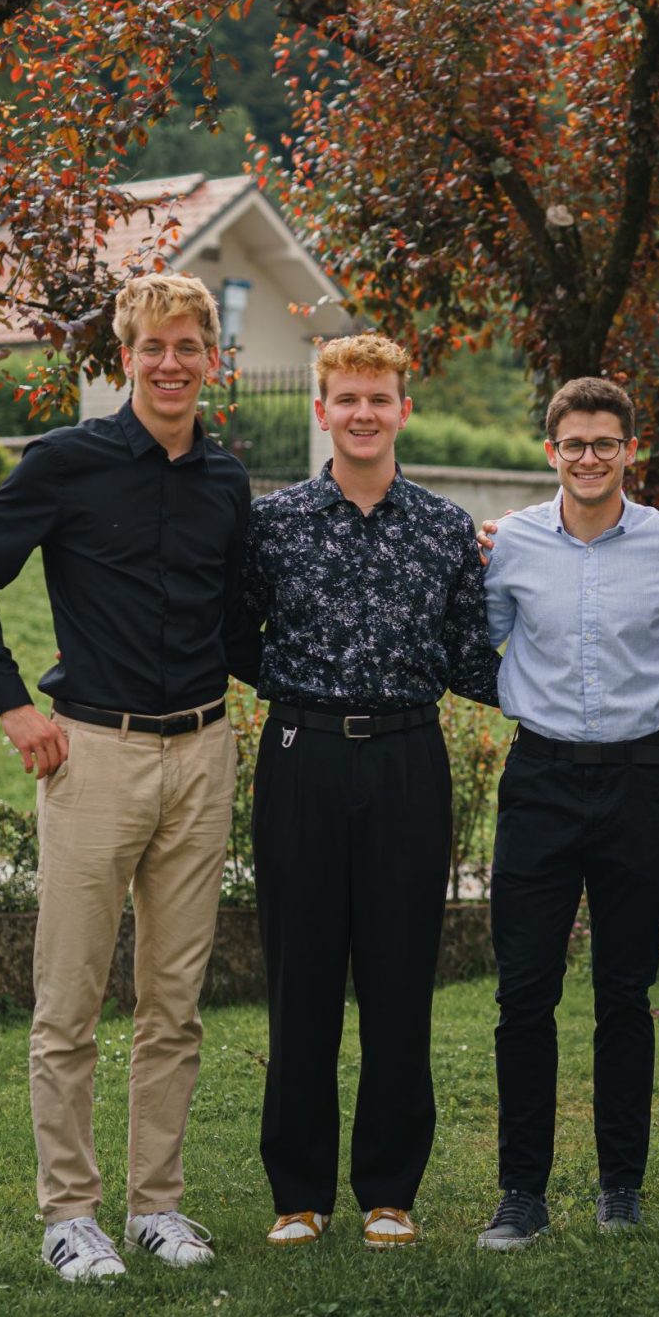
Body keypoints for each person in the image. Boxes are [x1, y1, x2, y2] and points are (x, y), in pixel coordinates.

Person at [0, 272, 257, 1281]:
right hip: (94, 756)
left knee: (174, 1003)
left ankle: (157, 1204)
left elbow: (239, 622)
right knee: (68, 1001)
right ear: (126, 357)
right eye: (152, 345)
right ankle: (70, 1215)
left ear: (213, 360)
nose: (170, 363)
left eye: (188, 346)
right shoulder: (66, 462)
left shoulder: (227, 480)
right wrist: (13, 705)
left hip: (202, 754)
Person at [244, 333, 500, 1251]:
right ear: (322, 411)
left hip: (406, 761)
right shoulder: (272, 524)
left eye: (379, 398)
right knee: (300, 979)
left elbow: (473, 659)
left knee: (399, 981)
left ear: (403, 410)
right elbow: (235, 635)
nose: (363, 413)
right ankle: (298, 1195)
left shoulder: (445, 528)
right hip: (301, 756)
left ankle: (390, 1192)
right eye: (347, 398)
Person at [473, 377, 659, 1248]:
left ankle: (621, 1186)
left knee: (625, 992)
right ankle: (522, 1193)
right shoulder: (512, 544)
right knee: (524, 994)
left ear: (630, 450)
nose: (590, 458)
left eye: (605, 444)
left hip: (636, 783)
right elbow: (478, 637)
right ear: (552, 452)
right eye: (574, 444)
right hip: (539, 780)